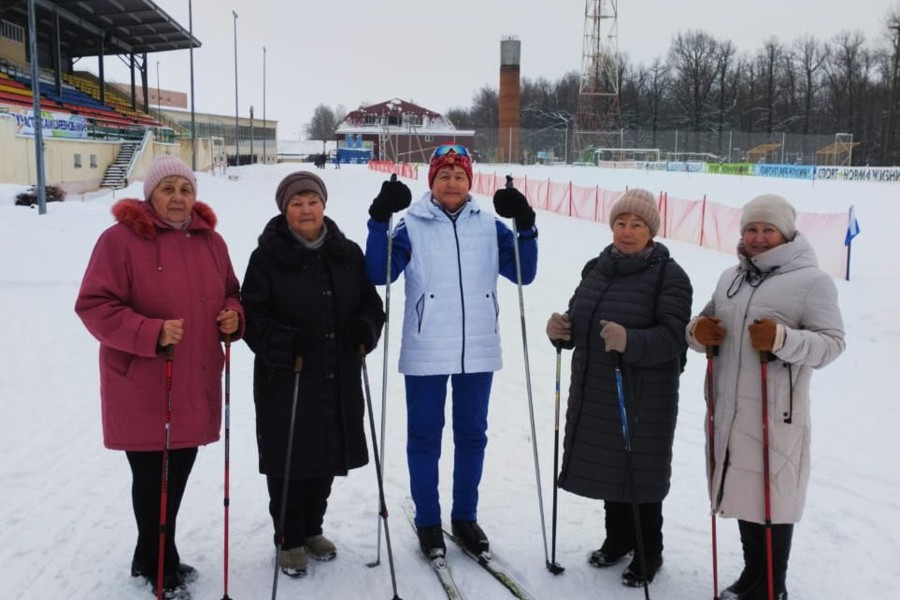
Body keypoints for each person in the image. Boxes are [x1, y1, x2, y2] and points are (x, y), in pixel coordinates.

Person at [75, 154, 243, 599]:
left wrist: (233, 317)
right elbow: (94, 306)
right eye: (168, 189)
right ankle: (159, 565)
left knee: (179, 473)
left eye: (185, 190)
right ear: (150, 194)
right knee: (153, 478)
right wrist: (150, 331)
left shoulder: (211, 241)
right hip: (144, 382)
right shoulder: (119, 240)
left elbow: (231, 291)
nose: (178, 198)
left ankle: (149, 552)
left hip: (195, 377)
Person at [364, 144, 538, 560]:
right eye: (444, 176)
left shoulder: (489, 226)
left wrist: (526, 225)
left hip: (478, 347)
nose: (452, 183)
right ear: (432, 183)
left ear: (470, 181)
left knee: (472, 436)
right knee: (425, 436)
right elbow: (378, 273)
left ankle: (464, 517)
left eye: (459, 176)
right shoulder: (412, 223)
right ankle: (428, 521)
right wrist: (378, 220)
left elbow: (524, 273)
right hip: (426, 348)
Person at [686, 194, 845, 600]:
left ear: (786, 233)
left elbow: (831, 344)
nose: (758, 238)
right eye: (751, 230)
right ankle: (752, 575)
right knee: (743, 493)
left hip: (777, 412)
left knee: (774, 496)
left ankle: (773, 585)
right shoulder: (731, 278)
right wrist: (697, 333)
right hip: (731, 407)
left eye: (767, 230)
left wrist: (782, 339)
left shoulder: (813, 281)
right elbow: (704, 323)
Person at [545, 188, 693, 587]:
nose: (627, 232)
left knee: (640, 471)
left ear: (652, 231)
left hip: (646, 393)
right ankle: (617, 539)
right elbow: (579, 320)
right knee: (612, 463)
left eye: (637, 225)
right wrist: (561, 331)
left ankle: (649, 551)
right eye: (621, 223)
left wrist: (631, 341)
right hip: (598, 386)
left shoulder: (669, 276)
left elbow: (675, 338)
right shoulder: (598, 267)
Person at [241, 171, 385, 578]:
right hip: (287, 376)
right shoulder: (266, 258)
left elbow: (371, 306)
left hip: (337, 372)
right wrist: (284, 343)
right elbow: (251, 315)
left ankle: (312, 528)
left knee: (328, 453)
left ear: (323, 205)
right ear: (284, 209)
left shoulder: (347, 252)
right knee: (289, 458)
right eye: (296, 203)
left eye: (312, 201)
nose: (306, 210)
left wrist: (366, 328)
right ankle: (288, 537)